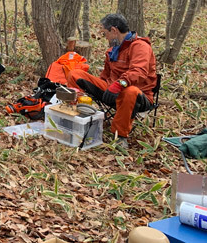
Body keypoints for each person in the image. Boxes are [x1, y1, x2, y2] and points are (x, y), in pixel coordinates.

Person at [65, 13, 157, 150]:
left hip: (138, 95)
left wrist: (119, 84)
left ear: (114, 30)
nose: (105, 37)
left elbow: (139, 71)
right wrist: (105, 86)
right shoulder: (112, 51)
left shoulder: (140, 46)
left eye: (105, 33)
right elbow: (104, 77)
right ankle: (75, 117)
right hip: (111, 91)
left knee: (130, 91)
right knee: (74, 74)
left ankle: (120, 136)